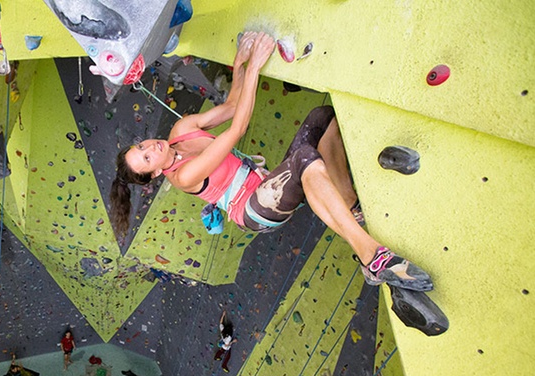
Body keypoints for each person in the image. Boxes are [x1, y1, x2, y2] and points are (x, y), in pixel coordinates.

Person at [110, 31, 433, 294]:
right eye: (147, 157)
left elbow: (233, 107)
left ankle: (347, 204)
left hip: (263, 185)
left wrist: (239, 64)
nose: (150, 146)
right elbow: (238, 129)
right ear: (154, 172)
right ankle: (371, 257)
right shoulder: (184, 176)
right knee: (306, 158)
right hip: (252, 208)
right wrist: (255, 68)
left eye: (142, 145)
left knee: (322, 118)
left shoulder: (180, 132)